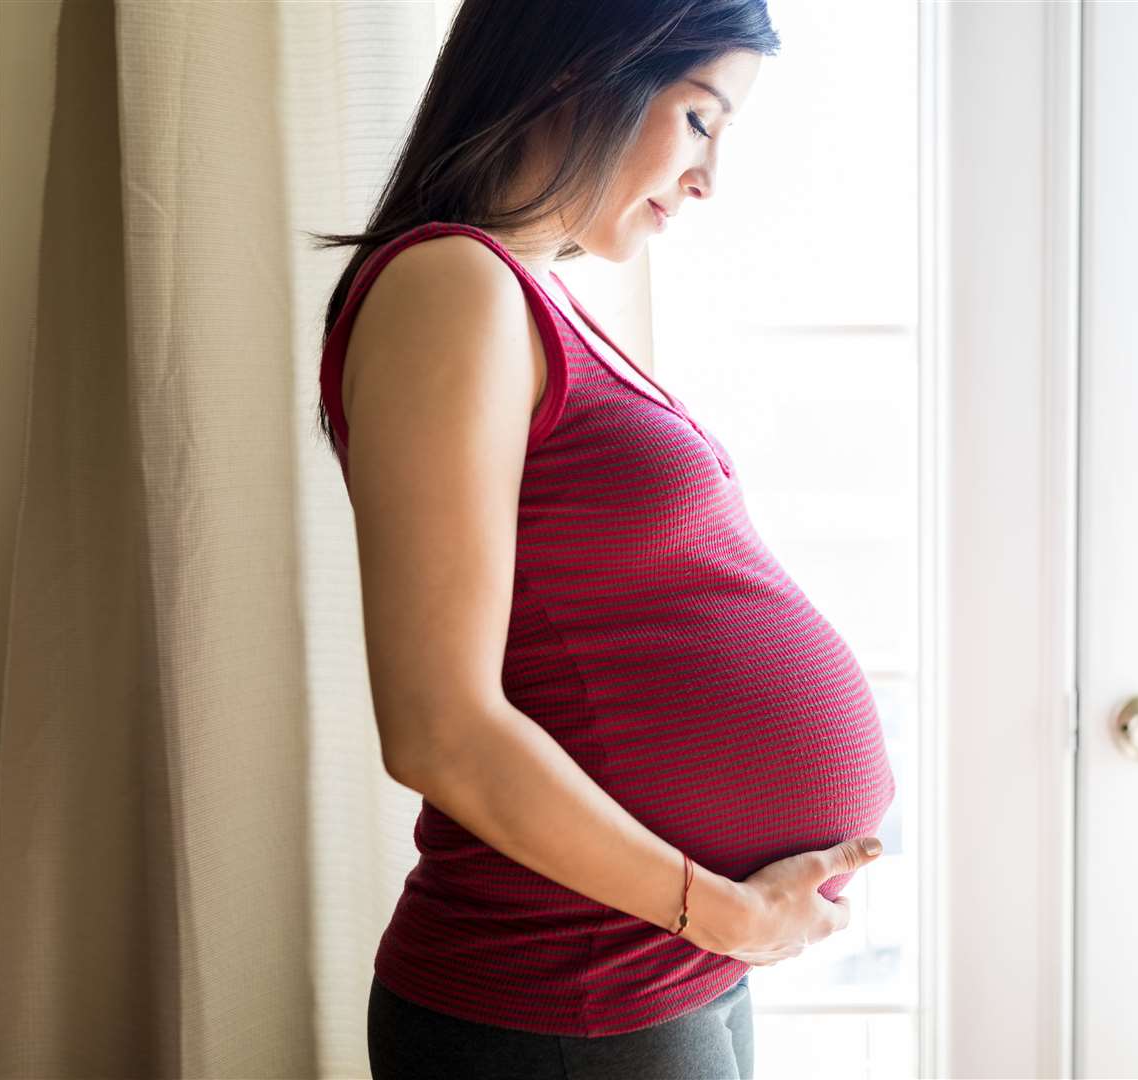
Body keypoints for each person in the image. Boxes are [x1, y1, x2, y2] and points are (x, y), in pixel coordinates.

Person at [305, 2, 897, 1076]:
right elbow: (439, 726)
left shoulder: (525, 293)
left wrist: (718, 923)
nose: (711, 177)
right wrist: (713, 908)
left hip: (652, 969)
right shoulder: (450, 286)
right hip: (563, 997)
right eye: (700, 119)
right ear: (587, 69)